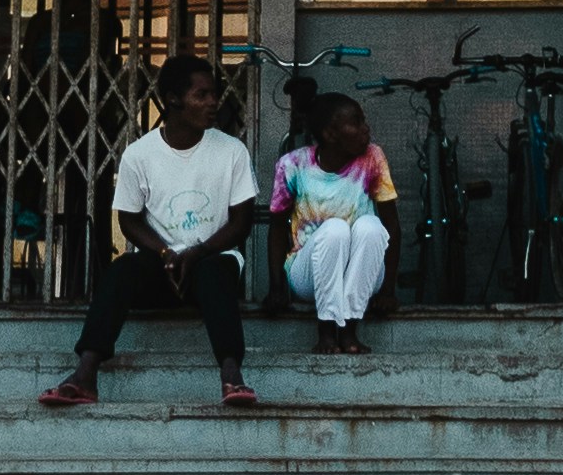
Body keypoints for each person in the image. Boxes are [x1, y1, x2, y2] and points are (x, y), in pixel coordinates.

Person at [40, 56, 265, 408]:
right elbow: (128, 220)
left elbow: (241, 222)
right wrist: (165, 253)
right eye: (202, 95)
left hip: (213, 262)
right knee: (122, 271)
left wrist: (197, 252)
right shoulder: (140, 155)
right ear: (173, 99)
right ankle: (85, 374)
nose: (213, 102)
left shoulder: (231, 151)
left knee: (214, 272)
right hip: (164, 268)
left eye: (214, 94)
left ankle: (232, 374)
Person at [273, 92, 400, 356]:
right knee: (335, 230)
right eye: (356, 122)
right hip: (309, 275)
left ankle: (350, 329)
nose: (366, 129)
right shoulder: (293, 164)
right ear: (330, 134)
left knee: (371, 226)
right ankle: (327, 330)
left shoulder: (373, 157)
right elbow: (276, 228)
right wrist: (276, 287)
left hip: (361, 273)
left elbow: (392, 226)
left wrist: (388, 289)